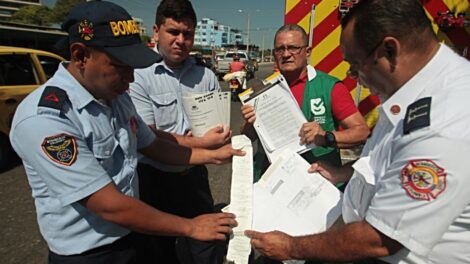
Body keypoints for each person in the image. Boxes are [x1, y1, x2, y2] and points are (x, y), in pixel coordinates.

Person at [8, 2, 243, 263]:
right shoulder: (47, 119)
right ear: (80, 55)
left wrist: (213, 155)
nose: (130, 78)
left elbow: (154, 145)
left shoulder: (115, 98)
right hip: (91, 254)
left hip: (133, 236)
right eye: (120, 66)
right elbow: (108, 205)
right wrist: (191, 227)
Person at [245, 0, 470, 263]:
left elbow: (380, 239)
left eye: (355, 65)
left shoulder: (445, 119)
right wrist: (342, 172)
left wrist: (291, 247)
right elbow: (385, 163)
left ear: (389, 50)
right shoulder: (410, 95)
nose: (355, 77)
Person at [128, 0, 230, 263]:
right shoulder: (138, 74)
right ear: (156, 31)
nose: (181, 40)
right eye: (173, 32)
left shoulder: (205, 75)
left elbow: (217, 125)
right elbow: (148, 136)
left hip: (194, 177)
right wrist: (202, 143)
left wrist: (226, 137)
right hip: (154, 178)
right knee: (158, 252)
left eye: (188, 34)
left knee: (207, 245)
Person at [241, 24, 369, 182]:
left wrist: (326, 137)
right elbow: (247, 137)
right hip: (271, 181)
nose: (286, 54)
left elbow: (362, 132)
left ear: (307, 52)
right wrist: (249, 123)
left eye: (293, 48)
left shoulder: (329, 87)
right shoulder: (262, 90)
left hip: (317, 183)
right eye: (280, 49)